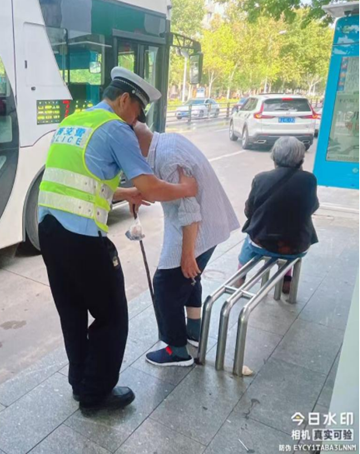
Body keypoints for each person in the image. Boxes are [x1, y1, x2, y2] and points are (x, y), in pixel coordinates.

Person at [38, 67, 198, 412]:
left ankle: (80, 382)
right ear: (125, 99)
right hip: (81, 239)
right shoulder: (116, 128)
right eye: (138, 110)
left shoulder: (73, 122)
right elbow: (151, 186)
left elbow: (81, 182)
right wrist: (185, 189)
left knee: (72, 312)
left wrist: (126, 193)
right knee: (112, 315)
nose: (137, 119)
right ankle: (96, 393)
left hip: (49, 232)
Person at [133, 125, 239, 367]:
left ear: (135, 144)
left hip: (197, 228)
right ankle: (194, 331)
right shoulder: (166, 143)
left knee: (165, 285)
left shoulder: (168, 158)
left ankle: (177, 350)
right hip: (208, 224)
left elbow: (190, 212)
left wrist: (188, 254)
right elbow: (166, 189)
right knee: (190, 278)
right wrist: (137, 193)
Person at [237, 136, 319, 293]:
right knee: (289, 239)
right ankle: (286, 280)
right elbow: (313, 207)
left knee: (248, 242)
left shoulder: (261, 178)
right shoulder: (309, 180)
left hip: (262, 243)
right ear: (300, 158)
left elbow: (249, 211)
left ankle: (240, 277)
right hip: (297, 245)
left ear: (274, 156)